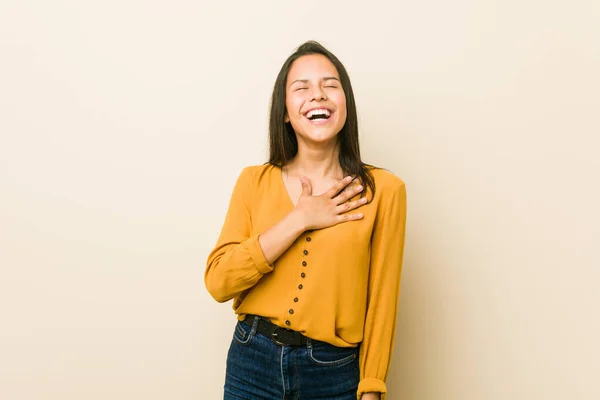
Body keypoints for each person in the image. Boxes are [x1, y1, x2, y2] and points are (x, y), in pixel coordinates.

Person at [205, 40, 407, 400]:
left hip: (333, 373)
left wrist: (372, 388)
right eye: (302, 88)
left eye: (330, 85)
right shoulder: (254, 181)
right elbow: (219, 282)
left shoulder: (384, 192)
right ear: (285, 112)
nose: (318, 95)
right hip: (252, 361)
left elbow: (382, 302)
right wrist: (299, 219)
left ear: (346, 104)